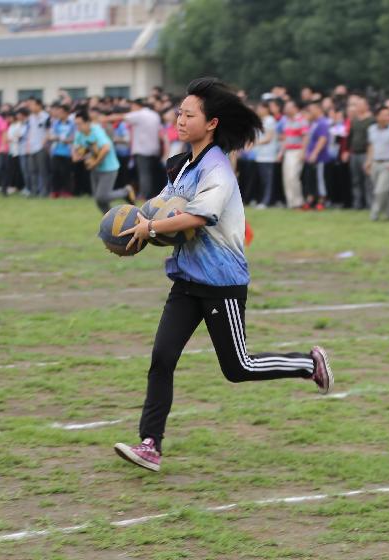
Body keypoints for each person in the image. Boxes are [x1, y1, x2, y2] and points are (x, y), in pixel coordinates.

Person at [114, 77, 333, 473]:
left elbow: (198, 216)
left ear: (211, 123)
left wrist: (150, 229)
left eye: (188, 114)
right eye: (179, 113)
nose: (179, 119)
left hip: (221, 283)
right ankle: (150, 444)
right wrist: (131, 219)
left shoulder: (218, 168)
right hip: (186, 281)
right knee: (161, 359)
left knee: (238, 368)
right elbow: (163, 203)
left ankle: (307, 363)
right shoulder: (184, 164)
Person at [72, 109, 134, 213]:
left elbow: (106, 148)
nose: (78, 127)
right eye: (76, 124)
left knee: (101, 197)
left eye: (80, 124)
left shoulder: (96, 131)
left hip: (109, 167)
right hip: (95, 168)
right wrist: (76, 156)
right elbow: (76, 146)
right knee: (99, 201)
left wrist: (95, 162)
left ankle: (125, 192)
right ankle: (112, 222)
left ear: (87, 122)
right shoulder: (80, 133)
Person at [365, 106, 389, 221]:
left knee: (380, 190)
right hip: (375, 163)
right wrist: (368, 161)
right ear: (377, 116)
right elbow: (371, 146)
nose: (388, 117)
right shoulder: (371, 129)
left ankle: (374, 213)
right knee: (383, 190)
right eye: (385, 114)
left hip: (388, 163)